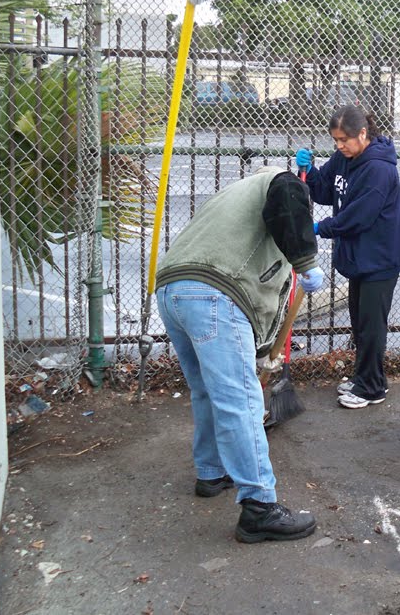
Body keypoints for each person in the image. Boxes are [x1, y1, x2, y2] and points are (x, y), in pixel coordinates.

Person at [155, 166, 325, 544]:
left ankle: (211, 471)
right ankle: (259, 508)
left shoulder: (235, 197)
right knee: (240, 400)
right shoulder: (280, 182)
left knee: (205, 390)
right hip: (213, 292)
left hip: (172, 289)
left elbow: (265, 298)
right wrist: (308, 265)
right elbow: (289, 198)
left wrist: (263, 352)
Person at [296, 105, 400, 409]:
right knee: (361, 321)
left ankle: (372, 387)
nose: (339, 145)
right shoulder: (344, 158)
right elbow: (324, 192)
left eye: (344, 139)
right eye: (335, 140)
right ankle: (366, 377)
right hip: (362, 252)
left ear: (363, 133)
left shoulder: (379, 168)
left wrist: (321, 227)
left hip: (382, 253)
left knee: (371, 324)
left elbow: (359, 216)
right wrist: (309, 172)